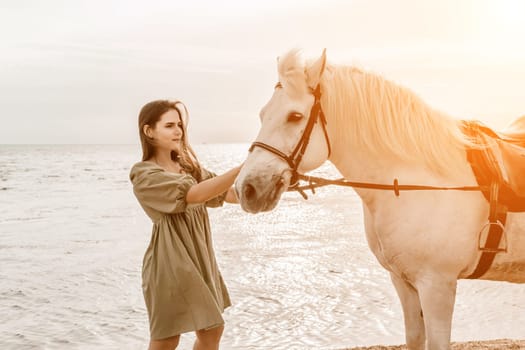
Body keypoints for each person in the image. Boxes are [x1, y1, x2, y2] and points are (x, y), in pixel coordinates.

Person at [129, 99, 242, 350]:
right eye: (169, 125)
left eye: (179, 124)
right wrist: (239, 168)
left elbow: (229, 194)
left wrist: (271, 183)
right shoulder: (144, 174)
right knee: (168, 338)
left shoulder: (188, 167)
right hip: (170, 262)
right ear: (149, 131)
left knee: (212, 329)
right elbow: (193, 195)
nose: (178, 131)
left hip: (199, 257)